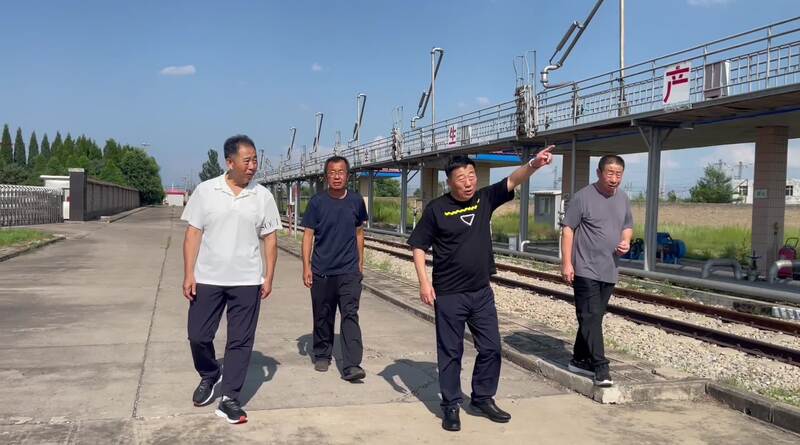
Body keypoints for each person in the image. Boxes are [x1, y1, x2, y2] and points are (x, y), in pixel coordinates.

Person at [408, 147, 554, 432]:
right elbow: (418, 246)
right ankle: (451, 405)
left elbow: (512, 180)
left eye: (471, 176)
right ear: (450, 181)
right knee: (450, 352)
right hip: (449, 293)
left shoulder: (484, 199)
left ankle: (482, 398)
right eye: (461, 178)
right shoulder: (436, 208)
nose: (468, 182)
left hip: (480, 292)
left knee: (491, 347)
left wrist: (534, 164)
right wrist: (424, 283)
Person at [181, 135, 280, 424]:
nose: (253, 166)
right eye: (247, 160)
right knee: (198, 335)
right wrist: (189, 273)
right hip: (208, 277)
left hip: (247, 280)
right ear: (230, 162)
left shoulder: (262, 196)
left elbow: (270, 238)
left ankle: (230, 399)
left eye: (255, 160)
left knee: (240, 341)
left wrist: (268, 276)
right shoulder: (206, 191)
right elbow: (193, 234)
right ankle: (210, 374)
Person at [560, 154, 633, 387]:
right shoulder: (583, 197)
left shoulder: (623, 198)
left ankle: (579, 359)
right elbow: (568, 229)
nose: (614, 178)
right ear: (599, 173)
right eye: (609, 173)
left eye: (618, 174)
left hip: (609, 268)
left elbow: (627, 225)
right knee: (590, 315)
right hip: (585, 267)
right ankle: (600, 366)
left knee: (593, 316)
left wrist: (626, 241)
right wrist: (567, 263)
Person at [301, 155, 368, 382]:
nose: (337, 176)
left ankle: (352, 365)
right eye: (332, 172)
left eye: (341, 172)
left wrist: (360, 263)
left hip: (349, 270)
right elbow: (308, 235)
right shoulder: (317, 202)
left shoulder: (356, 201)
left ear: (347, 176)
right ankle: (322, 354)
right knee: (323, 314)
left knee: (350, 315)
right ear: (326, 176)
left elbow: (359, 232)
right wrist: (306, 266)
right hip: (322, 269)